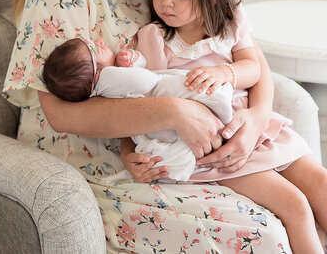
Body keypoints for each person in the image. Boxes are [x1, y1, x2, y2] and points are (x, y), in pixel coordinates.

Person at [2, 0, 323, 253]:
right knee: (268, 232)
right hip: (100, 165)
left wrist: (258, 118)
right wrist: (173, 111)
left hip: (183, 143)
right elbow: (60, 113)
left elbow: (246, 51)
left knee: (314, 195)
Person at [121, 0, 327, 254]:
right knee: (295, 205)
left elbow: (253, 68)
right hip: (216, 153)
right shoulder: (155, 40)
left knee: (321, 183)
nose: (165, 3)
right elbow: (134, 104)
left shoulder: (229, 23)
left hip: (254, 130)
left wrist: (225, 72)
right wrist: (127, 152)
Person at [40, 35, 235, 181]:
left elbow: (140, 72)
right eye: (95, 48)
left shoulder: (105, 85)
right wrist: (129, 69)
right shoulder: (108, 78)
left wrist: (131, 60)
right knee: (178, 86)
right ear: (97, 73)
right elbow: (146, 81)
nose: (100, 42)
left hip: (163, 126)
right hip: (167, 110)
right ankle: (219, 101)